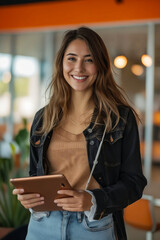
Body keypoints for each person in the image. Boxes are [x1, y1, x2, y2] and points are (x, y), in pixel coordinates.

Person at [13, 26, 147, 240]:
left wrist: (93, 200)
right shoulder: (43, 118)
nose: (79, 68)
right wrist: (31, 198)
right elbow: (35, 175)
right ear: (61, 64)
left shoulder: (119, 118)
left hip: (93, 227)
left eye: (89, 59)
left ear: (100, 65)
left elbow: (134, 182)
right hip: (43, 224)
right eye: (72, 58)